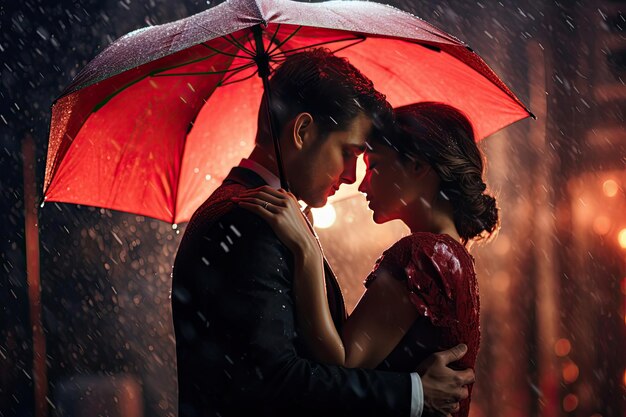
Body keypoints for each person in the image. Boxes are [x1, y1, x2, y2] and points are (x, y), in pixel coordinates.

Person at [172, 49, 474, 417]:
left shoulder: (263, 215)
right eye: (349, 152)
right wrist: (412, 393)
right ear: (302, 131)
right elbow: (275, 382)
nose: (352, 177)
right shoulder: (250, 222)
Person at [236, 101, 498, 417]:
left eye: (373, 166)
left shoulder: (422, 255)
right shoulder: (452, 254)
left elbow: (340, 362)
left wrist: (305, 251)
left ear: (417, 167)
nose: (361, 184)